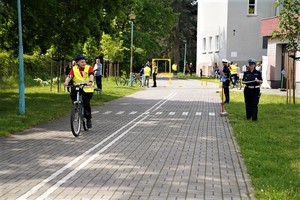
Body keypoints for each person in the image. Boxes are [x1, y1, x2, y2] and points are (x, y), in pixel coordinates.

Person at [64, 54, 94, 128]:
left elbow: (91, 75)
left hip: (87, 88)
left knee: (86, 103)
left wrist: (90, 81)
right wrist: (66, 81)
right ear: (77, 63)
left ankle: (88, 119)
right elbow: (70, 76)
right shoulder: (74, 69)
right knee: (73, 94)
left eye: (84, 62)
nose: (84, 63)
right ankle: (76, 107)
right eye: (82, 62)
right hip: (78, 87)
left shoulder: (89, 67)